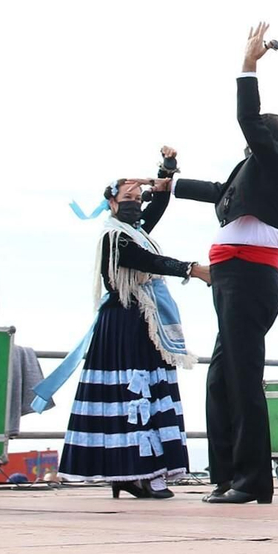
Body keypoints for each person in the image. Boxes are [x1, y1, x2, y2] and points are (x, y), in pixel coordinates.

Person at [174, 26, 278, 506]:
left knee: (243, 376)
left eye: (253, 143)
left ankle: (252, 482)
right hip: (231, 278)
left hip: (250, 277)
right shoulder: (254, 173)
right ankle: (226, 474)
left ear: (267, 141)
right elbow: (218, 190)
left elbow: (249, 121)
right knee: (219, 378)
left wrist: (248, 66)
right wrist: (164, 184)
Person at [42, 149, 212, 498]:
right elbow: (143, 260)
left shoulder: (134, 230)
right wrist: (190, 269)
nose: (135, 203)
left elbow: (160, 206)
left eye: (138, 198)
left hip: (142, 321)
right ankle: (132, 473)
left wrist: (164, 170)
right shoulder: (114, 236)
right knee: (131, 394)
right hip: (125, 322)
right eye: (127, 198)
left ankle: (144, 473)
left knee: (147, 392)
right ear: (112, 203)